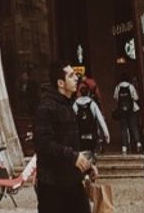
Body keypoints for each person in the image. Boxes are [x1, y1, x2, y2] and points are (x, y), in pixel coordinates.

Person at [33, 61, 93, 213]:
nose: (76, 79)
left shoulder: (68, 105)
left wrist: (86, 165)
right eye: (71, 76)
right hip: (52, 186)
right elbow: (44, 143)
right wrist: (73, 157)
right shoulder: (46, 107)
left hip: (72, 181)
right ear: (60, 83)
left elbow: (72, 143)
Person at [73, 77, 109, 160]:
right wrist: (106, 133)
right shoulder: (92, 103)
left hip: (80, 133)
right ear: (88, 92)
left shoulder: (76, 103)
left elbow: (71, 119)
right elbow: (100, 119)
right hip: (91, 132)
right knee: (92, 152)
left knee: (82, 152)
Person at [113, 76, 142, 154]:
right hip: (132, 109)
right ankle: (138, 142)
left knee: (123, 128)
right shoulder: (131, 86)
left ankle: (124, 146)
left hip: (122, 110)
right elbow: (136, 98)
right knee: (134, 126)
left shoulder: (117, 87)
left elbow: (115, 98)